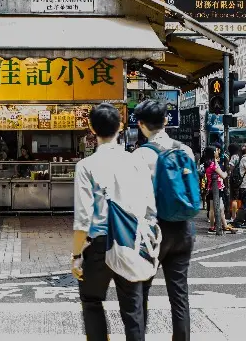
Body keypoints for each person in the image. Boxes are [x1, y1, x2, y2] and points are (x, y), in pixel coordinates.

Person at [73, 103, 153, 341]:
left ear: (91, 128)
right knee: (133, 308)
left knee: (91, 300)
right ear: (120, 126)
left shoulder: (85, 166)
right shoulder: (136, 161)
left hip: (98, 245)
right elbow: (149, 206)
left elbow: (82, 219)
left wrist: (76, 256)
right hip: (130, 240)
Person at [132, 99, 198, 340]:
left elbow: (135, 199)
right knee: (179, 294)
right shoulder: (184, 149)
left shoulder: (140, 156)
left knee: (141, 291)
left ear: (141, 125)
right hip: (184, 229)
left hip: (154, 232)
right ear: (166, 121)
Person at [202, 146, 231, 235]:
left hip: (211, 188)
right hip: (216, 188)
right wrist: (228, 171)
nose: (217, 152)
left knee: (218, 208)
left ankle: (222, 225)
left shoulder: (208, 163)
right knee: (215, 208)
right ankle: (214, 226)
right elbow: (223, 175)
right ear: (212, 153)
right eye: (216, 151)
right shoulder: (213, 165)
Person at [227, 143, 241, 222]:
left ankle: (233, 216)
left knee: (234, 198)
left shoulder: (234, 157)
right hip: (238, 179)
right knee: (237, 197)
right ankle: (236, 215)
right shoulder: (239, 156)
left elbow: (230, 168)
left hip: (234, 179)